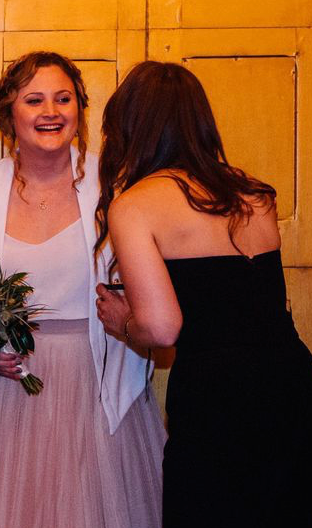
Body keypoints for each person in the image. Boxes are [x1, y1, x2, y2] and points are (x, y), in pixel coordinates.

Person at [0, 51, 164, 528]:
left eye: (63, 99)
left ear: (80, 109)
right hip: (6, 390)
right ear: (8, 113)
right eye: (34, 100)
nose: (51, 112)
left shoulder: (118, 185)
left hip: (96, 389)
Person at [94, 61, 312, 528]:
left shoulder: (135, 205)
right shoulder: (253, 193)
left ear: (131, 125)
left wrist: (124, 322)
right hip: (293, 381)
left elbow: (162, 328)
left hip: (218, 397)